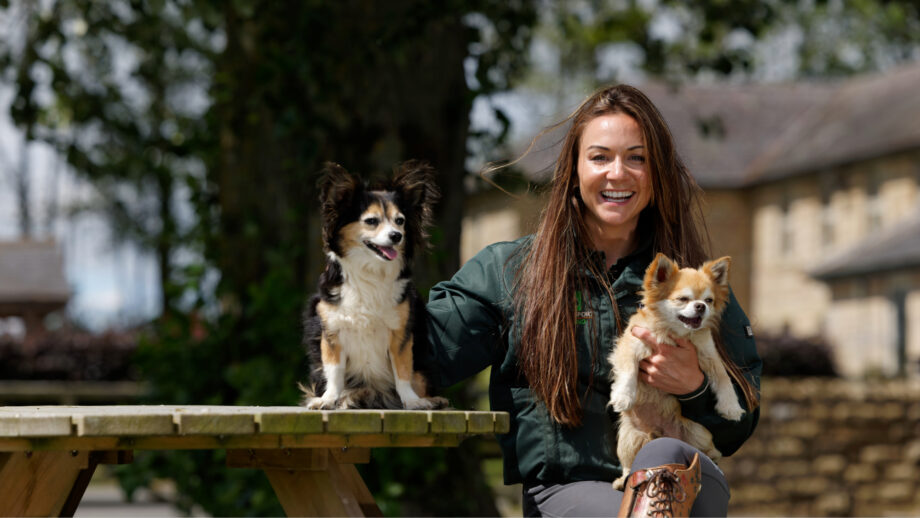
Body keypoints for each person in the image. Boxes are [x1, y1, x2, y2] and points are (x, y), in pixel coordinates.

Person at [424, 84, 761, 517]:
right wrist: (359, 303)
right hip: (569, 492)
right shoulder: (510, 272)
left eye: (636, 158)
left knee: (665, 465)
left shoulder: (695, 289)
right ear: (574, 170)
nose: (618, 173)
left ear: (657, 174)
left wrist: (694, 387)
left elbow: (740, 419)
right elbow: (420, 352)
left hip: (684, 478)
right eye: (600, 157)